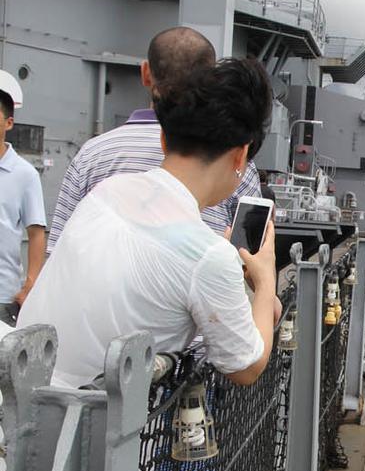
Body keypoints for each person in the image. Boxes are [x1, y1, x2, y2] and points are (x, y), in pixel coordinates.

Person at [17, 58, 277, 388]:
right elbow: (246, 366)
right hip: (85, 429)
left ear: (164, 140)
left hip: (20, 392)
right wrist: (266, 280)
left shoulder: (106, 193)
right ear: (240, 156)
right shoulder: (208, 255)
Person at [47, 26, 261, 254]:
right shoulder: (233, 158)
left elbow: (58, 249)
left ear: (146, 73)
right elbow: (251, 255)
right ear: (211, 81)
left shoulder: (91, 154)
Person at [0, 71, 45, 326]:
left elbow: (36, 232)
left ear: (9, 123)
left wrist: (30, 284)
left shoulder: (25, 174)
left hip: (3, 295)